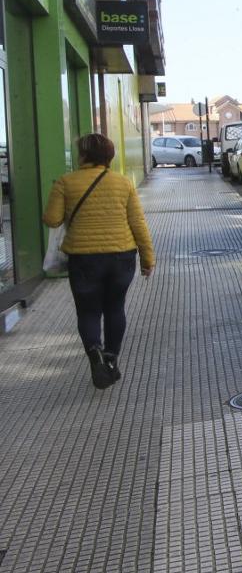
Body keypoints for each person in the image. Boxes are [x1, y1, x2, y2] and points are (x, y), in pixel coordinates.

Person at [42, 133, 155, 390]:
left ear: (83, 156)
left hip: (83, 259)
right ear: (109, 156)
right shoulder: (123, 183)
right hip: (121, 255)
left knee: (88, 311)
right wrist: (148, 259)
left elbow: (52, 219)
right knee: (115, 307)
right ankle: (112, 359)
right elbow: (138, 223)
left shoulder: (65, 182)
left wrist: (60, 196)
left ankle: (95, 351)